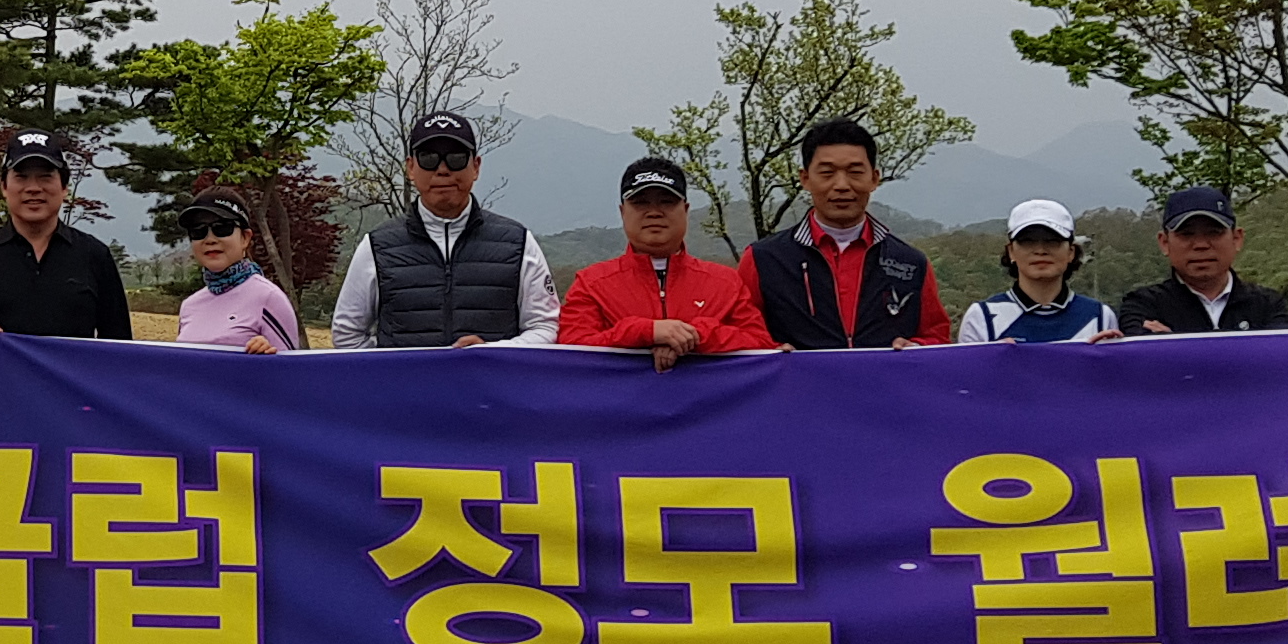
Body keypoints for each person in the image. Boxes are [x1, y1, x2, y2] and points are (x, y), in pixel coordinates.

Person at [333, 114, 559, 350]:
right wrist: (395, 367)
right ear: (411, 168)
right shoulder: (378, 246)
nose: (442, 169)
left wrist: (492, 353)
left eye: (456, 158)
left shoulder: (517, 243)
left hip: (490, 376)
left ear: (476, 167)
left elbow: (544, 326)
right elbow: (347, 334)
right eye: (428, 158)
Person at [746, 120, 949, 349]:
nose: (841, 185)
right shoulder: (764, 259)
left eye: (855, 173)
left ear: (874, 178)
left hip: (883, 374)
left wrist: (916, 348)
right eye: (827, 173)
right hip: (797, 374)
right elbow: (742, 333)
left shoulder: (911, 263)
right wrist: (769, 351)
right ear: (805, 179)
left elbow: (937, 337)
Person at [559, 154, 775, 366]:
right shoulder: (590, 284)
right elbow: (570, 350)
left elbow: (762, 344)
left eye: (667, 202)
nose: (654, 213)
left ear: (686, 210)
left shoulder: (726, 283)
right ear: (623, 212)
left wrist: (694, 335)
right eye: (640, 203)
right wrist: (644, 332)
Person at [0, 131, 137, 338]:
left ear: (64, 187)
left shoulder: (94, 256)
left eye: (45, 177)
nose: (33, 188)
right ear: (4, 186)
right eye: (21, 177)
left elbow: (119, 345)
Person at [1112, 184, 1288, 336]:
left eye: (1214, 233)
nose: (1201, 245)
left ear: (1237, 239)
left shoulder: (1268, 305)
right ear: (1164, 242)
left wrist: (1172, 343)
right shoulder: (1142, 305)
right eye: (1186, 234)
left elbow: (1279, 358)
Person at [952, 199, 1120, 344]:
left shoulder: (1101, 316)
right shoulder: (982, 317)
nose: (1040, 250)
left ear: (1071, 252)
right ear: (1011, 251)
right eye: (1027, 241)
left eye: (1052, 241)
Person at [167, 192, 303, 353]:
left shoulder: (269, 298)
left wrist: (266, 355)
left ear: (245, 238)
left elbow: (291, 366)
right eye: (198, 231)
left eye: (222, 228)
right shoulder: (189, 306)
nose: (210, 239)